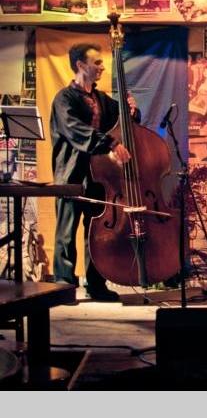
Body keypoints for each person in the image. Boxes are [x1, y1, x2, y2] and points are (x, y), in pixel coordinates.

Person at [51, 43, 139, 301]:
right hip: (71, 175)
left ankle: (96, 285)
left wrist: (131, 111)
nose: (102, 67)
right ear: (80, 65)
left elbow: (121, 121)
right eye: (97, 62)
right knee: (66, 233)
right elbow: (75, 130)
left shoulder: (101, 99)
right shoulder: (64, 99)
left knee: (95, 232)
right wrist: (110, 143)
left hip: (98, 176)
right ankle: (63, 287)